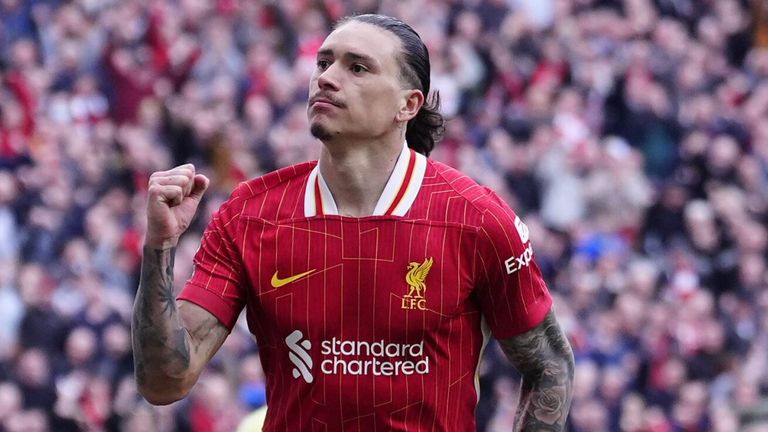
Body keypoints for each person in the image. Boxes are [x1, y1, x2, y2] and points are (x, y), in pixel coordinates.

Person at [132, 13, 574, 431]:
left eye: (357, 68)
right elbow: (164, 381)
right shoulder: (250, 214)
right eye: (323, 62)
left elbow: (550, 365)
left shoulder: (475, 219)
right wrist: (159, 247)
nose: (326, 77)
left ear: (408, 105)